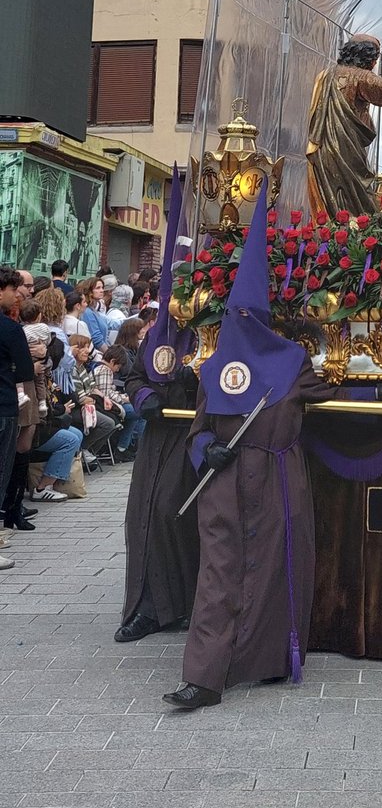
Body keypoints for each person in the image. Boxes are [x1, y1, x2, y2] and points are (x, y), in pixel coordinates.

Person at [163, 184, 338, 709]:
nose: (237, 328)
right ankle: (204, 677)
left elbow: (332, 387)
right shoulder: (216, 368)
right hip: (225, 480)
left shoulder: (292, 364)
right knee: (219, 571)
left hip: (279, 478)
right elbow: (197, 431)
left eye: (247, 318)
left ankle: (268, 659)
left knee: (273, 566)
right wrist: (205, 454)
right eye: (230, 318)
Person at [118, 167, 200, 644]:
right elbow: (133, 373)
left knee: (175, 512)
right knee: (142, 517)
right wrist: (144, 396)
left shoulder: (209, 332)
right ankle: (147, 607)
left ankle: (186, 603)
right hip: (157, 434)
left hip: (192, 433)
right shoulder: (157, 333)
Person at [306, 34, 382, 218]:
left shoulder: (324, 76)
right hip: (347, 151)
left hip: (323, 150)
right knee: (357, 202)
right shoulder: (361, 76)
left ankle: (332, 238)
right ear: (370, 59)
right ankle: (354, 238)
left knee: (331, 200)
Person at [0, 268, 36, 569]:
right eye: (13, 290)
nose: (16, 296)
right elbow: (25, 372)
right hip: (3, 407)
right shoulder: (10, 329)